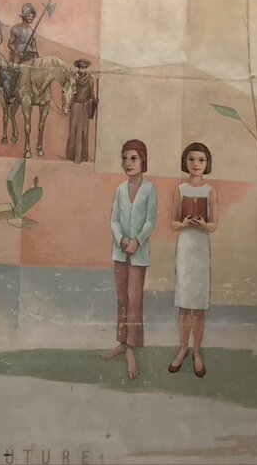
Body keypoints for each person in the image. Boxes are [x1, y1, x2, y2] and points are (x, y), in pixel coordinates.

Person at [101, 139, 157, 380]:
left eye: (133, 158)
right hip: (120, 252)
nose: (128, 163)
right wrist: (123, 240)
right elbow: (113, 220)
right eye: (124, 158)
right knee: (122, 299)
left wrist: (137, 241)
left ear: (143, 160)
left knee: (134, 301)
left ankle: (132, 349)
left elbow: (150, 222)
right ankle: (122, 343)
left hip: (139, 254)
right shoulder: (120, 189)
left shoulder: (150, 189)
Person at [168, 142, 218, 378]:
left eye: (201, 160)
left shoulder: (210, 191)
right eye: (192, 159)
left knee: (198, 306)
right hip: (186, 247)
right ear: (185, 162)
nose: (196, 164)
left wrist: (203, 224)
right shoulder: (179, 189)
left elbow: (214, 225)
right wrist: (186, 223)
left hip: (201, 249)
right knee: (184, 304)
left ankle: (197, 352)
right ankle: (182, 349)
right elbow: (173, 224)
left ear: (207, 164)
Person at [65, 59, 97, 164]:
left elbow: (91, 95)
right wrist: (67, 105)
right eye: (80, 67)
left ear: (86, 68)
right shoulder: (73, 78)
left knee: (84, 130)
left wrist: (94, 104)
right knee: (73, 129)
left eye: (84, 68)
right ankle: (71, 156)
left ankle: (82, 157)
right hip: (75, 106)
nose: (82, 69)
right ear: (78, 68)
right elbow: (68, 92)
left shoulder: (90, 80)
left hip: (85, 106)